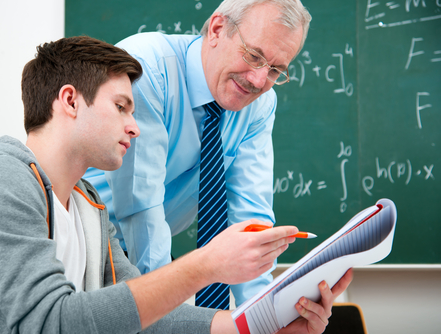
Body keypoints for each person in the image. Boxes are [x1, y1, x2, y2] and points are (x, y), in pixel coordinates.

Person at [0, 36, 352, 333]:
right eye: (121, 107)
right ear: (69, 101)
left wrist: (258, 327)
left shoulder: (89, 207)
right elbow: (51, 322)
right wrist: (206, 264)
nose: (135, 127)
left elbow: (140, 311)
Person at [84, 0, 313, 306]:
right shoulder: (146, 67)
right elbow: (141, 207)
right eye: (253, 55)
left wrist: (264, 315)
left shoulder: (259, 105)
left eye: (275, 70)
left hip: (153, 253)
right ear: (217, 29)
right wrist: (166, 309)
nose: (259, 80)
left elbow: (251, 217)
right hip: (89, 248)